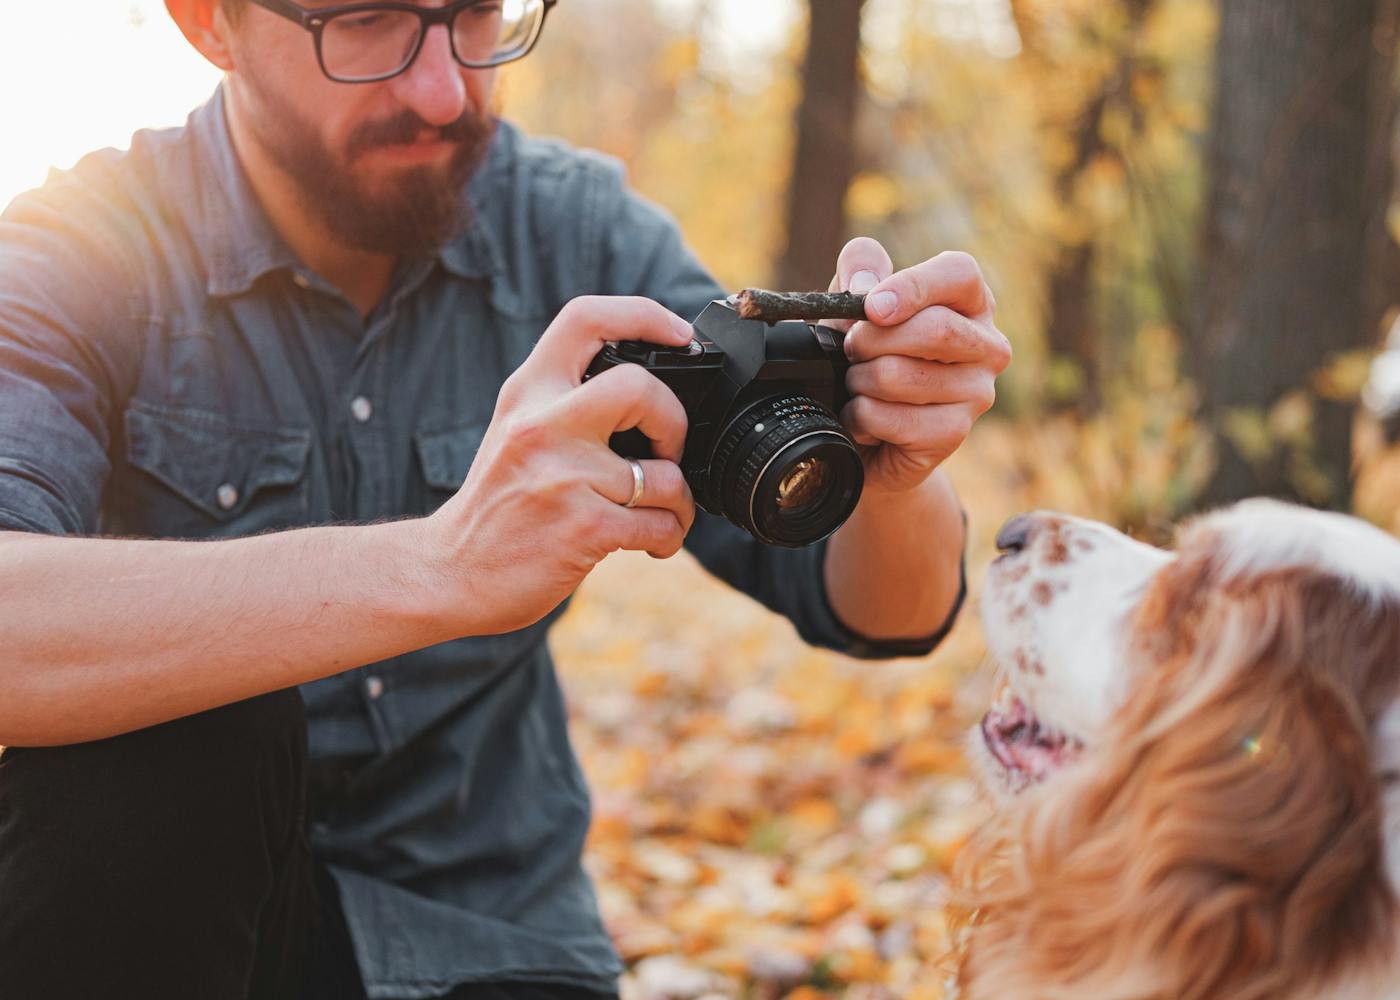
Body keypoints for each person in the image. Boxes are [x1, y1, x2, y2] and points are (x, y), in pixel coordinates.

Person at [0, 0, 1011, 997]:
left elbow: (888, 616)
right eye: (364, 20)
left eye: (476, 13)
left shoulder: (577, 235)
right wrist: (442, 566)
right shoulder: (82, 248)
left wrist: (891, 459)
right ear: (207, 22)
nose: (443, 89)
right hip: (151, 924)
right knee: (176, 719)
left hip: (486, 941)